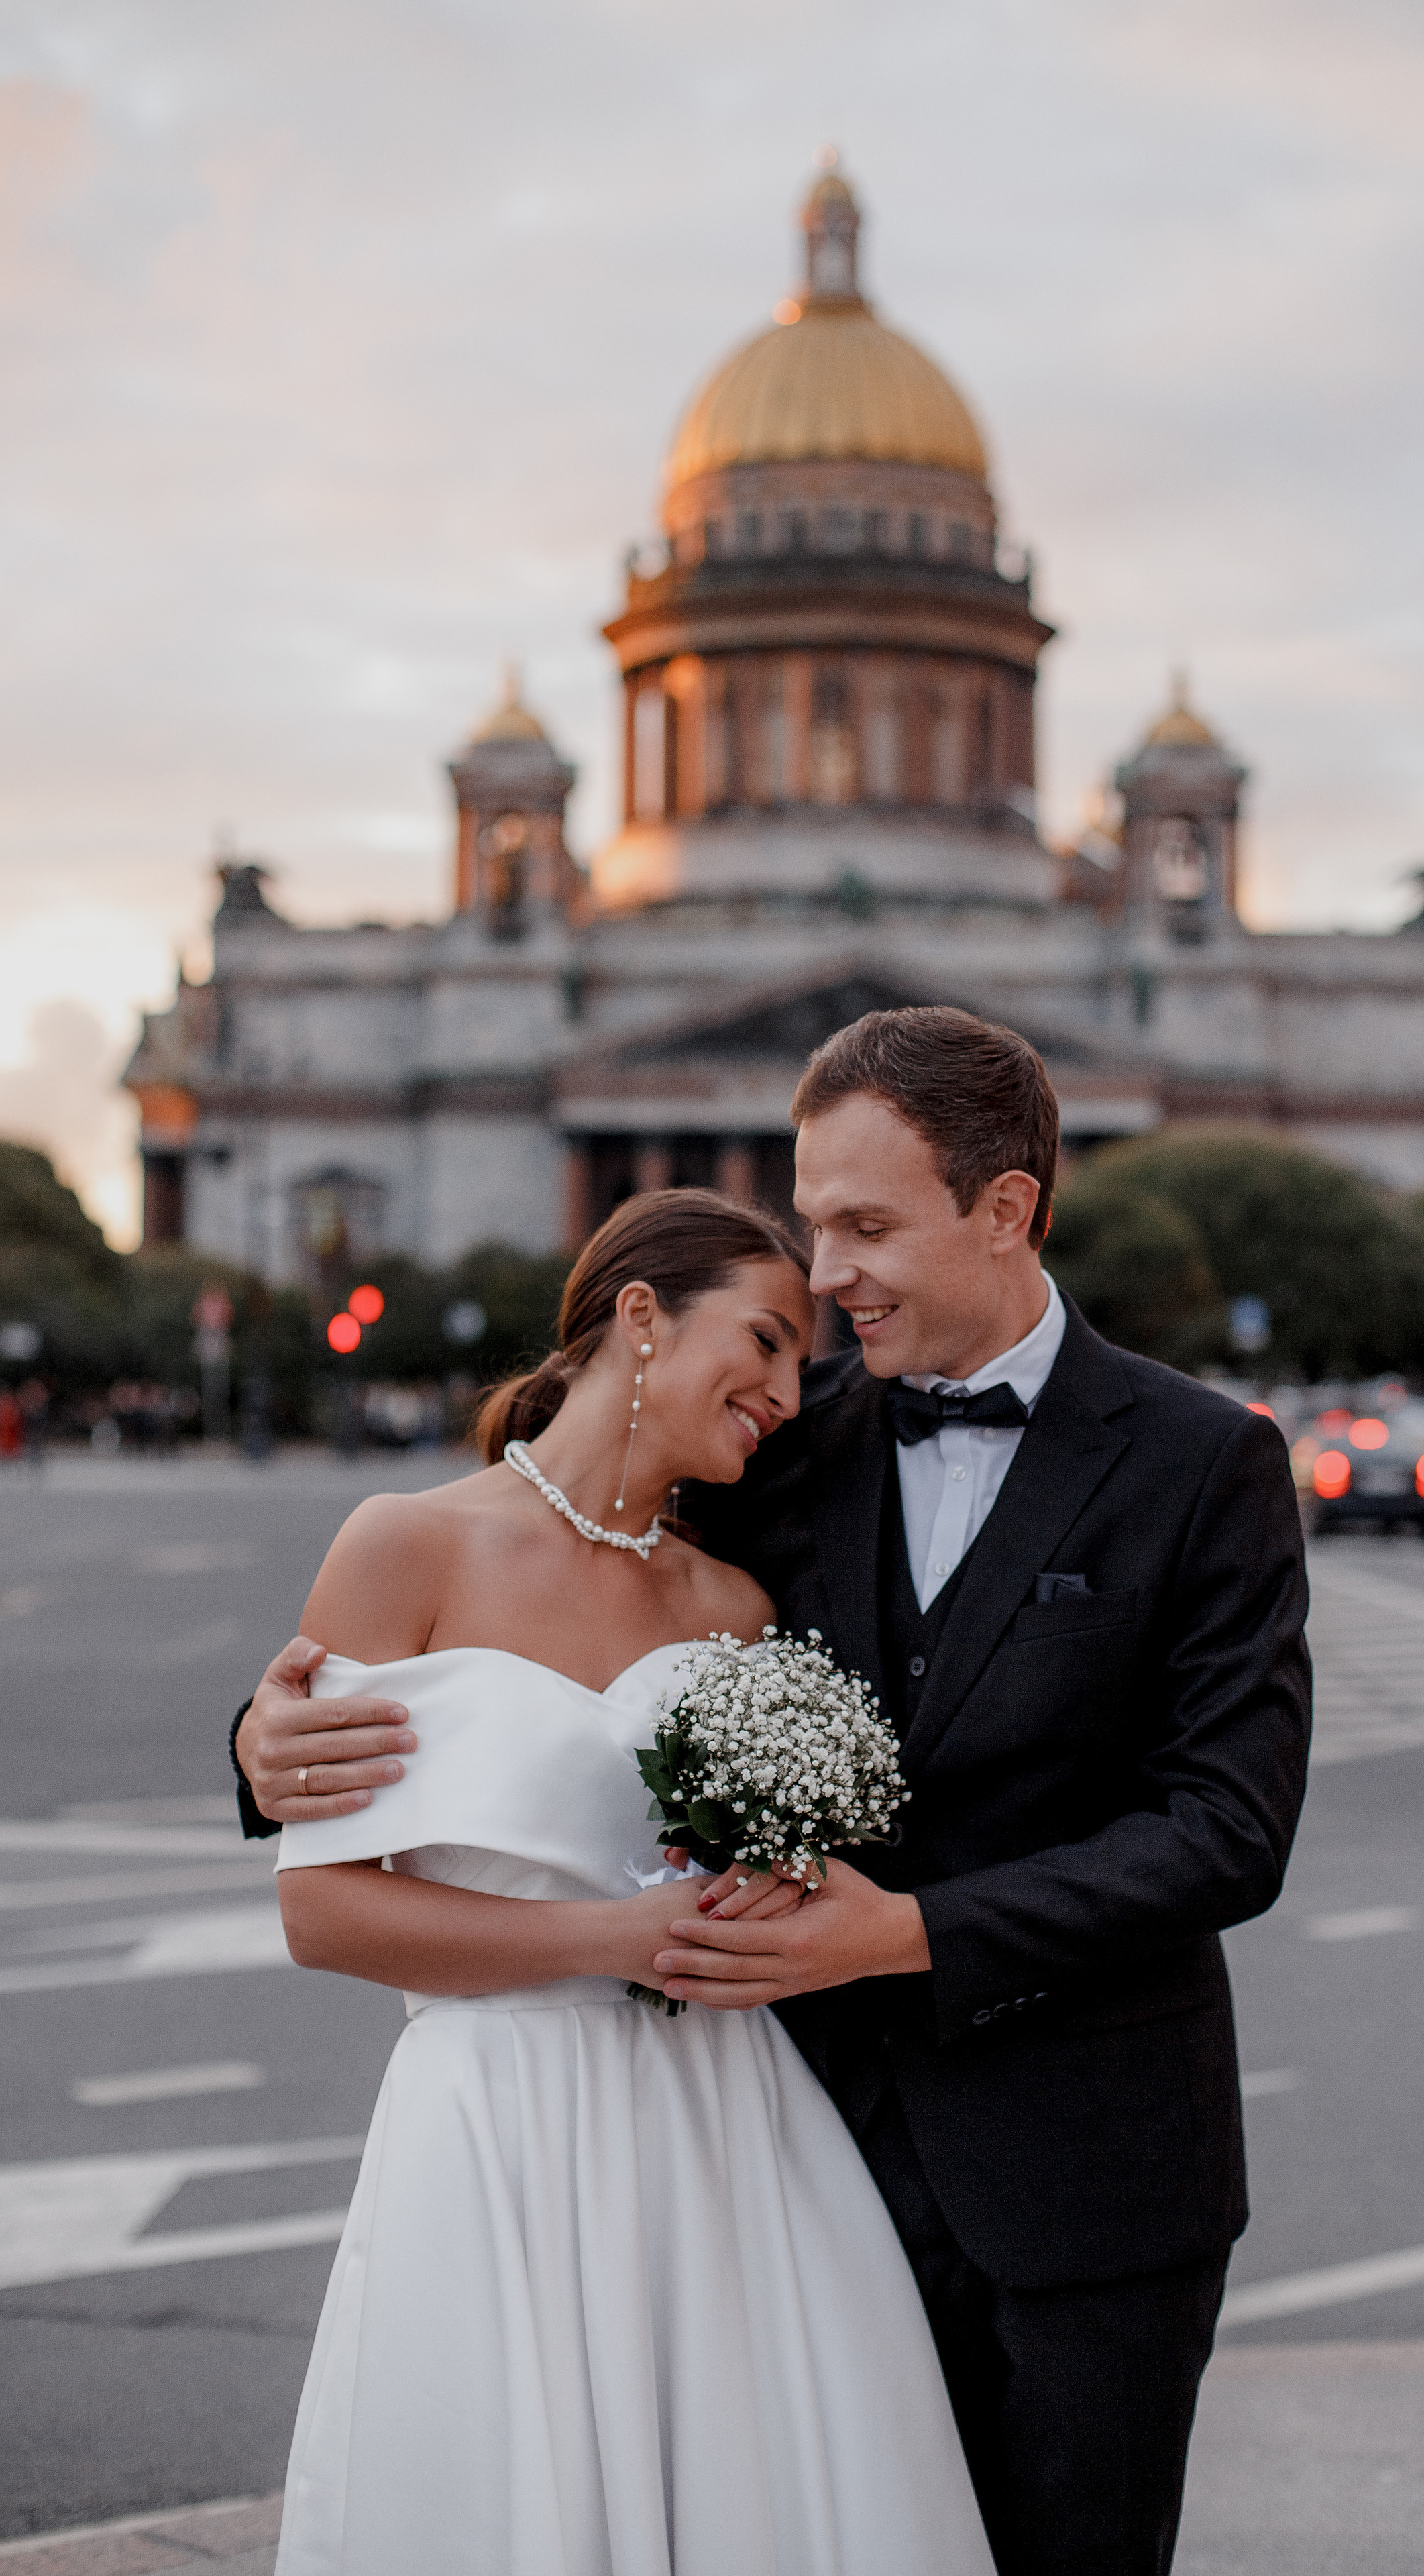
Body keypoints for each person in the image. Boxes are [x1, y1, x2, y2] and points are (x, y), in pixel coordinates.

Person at [235, 1008, 1313, 2576]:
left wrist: (907, 1931)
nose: (822, 1275)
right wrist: (261, 1750)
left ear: (1004, 1210)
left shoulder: (1204, 1461)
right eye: (812, 1225)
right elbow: (522, 1628)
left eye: (864, 1226)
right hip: (799, 2164)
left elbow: (1226, 1830)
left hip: (1090, 2179)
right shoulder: (786, 1446)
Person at [262, 1188, 997, 2576]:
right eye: (768, 1342)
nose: (789, 1392)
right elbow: (323, 1910)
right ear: (641, 1319)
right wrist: (619, 1935)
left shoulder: (736, 1607)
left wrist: (780, 1898)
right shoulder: (404, 1545)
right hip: (496, 2118)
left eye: (806, 1358)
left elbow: (788, 1855)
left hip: (723, 2121)